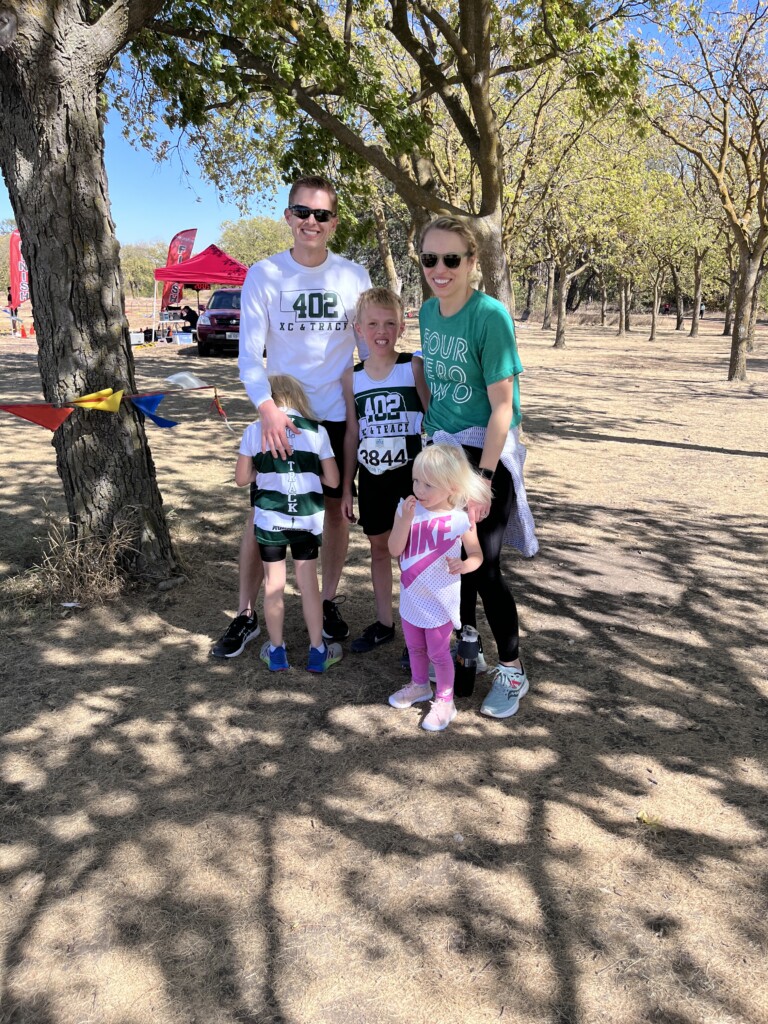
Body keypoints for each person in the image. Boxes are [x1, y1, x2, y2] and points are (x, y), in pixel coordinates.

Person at [211, 175, 372, 658]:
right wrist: (267, 413)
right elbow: (248, 356)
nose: (311, 222)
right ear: (288, 216)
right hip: (282, 417)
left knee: (336, 513)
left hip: (337, 417)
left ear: (334, 223)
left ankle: (327, 601)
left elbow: (369, 347)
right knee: (265, 514)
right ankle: (245, 614)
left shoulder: (354, 276)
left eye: (321, 215)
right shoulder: (264, 273)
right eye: (302, 212)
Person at [415, 216, 538, 720]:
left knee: (484, 567)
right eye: (429, 259)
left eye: (450, 259)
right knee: (446, 560)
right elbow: (435, 384)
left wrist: (482, 482)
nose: (439, 270)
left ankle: (512, 670)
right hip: (441, 452)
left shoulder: (490, 316)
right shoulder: (426, 312)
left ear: (471, 263)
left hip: (484, 455)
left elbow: (502, 410)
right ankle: (466, 644)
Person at [341, 287, 430, 653]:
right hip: (372, 478)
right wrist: (347, 487)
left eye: (390, 323)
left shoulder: (413, 366)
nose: (382, 330)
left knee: (416, 552)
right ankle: (384, 622)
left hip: (411, 477)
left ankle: (421, 626)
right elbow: (352, 433)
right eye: (373, 323)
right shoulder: (352, 377)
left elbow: (433, 420)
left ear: (402, 326)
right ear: (359, 329)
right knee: (380, 548)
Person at [235, 374, 343, 673]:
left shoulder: (254, 431)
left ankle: (277, 651)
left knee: (274, 586)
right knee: (309, 586)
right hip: (306, 519)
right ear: (297, 396)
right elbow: (333, 480)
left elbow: (242, 479)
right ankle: (318, 651)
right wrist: (309, 476)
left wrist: (264, 475)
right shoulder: (317, 432)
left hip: (270, 520)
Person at [387, 446, 488, 731]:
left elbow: (477, 555)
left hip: (439, 600)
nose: (419, 489)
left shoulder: (460, 518)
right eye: (416, 480)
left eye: (428, 484)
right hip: (410, 596)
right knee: (414, 647)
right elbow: (394, 548)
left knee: (440, 653)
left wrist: (465, 566)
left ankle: (446, 699)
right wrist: (405, 521)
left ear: (451, 487)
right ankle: (420, 685)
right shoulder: (406, 509)